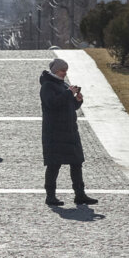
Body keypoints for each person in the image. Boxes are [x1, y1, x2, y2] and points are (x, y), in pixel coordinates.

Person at [39, 58, 98, 207]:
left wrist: (77, 100)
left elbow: (68, 106)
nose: (65, 73)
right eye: (62, 70)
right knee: (54, 164)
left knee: (76, 163)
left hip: (70, 131)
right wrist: (68, 93)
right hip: (54, 132)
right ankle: (50, 196)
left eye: (66, 70)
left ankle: (80, 195)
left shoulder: (63, 85)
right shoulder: (47, 86)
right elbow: (52, 104)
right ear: (55, 71)